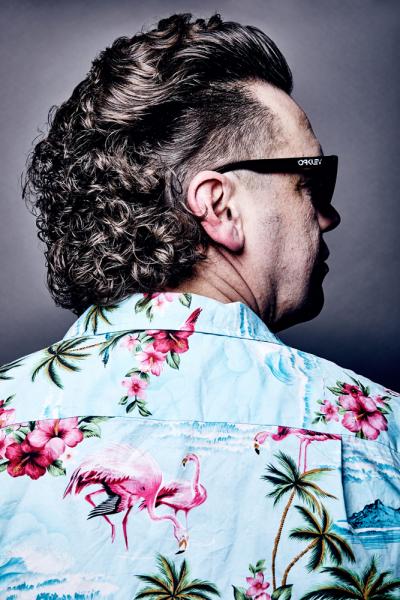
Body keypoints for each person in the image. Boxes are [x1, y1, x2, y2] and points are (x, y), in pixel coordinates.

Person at [0, 11, 399, 599]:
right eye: (312, 182)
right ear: (219, 206)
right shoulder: (383, 430)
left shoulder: (10, 415)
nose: (328, 216)